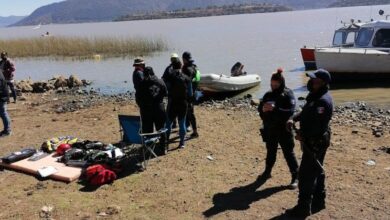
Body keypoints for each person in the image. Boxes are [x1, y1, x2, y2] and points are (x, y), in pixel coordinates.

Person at [285, 69, 334, 218]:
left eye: (315, 81)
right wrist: (293, 118)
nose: (312, 82)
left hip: (315, 142)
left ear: (323, 83)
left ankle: (303, 208)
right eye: (312, 80)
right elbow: (306, 112)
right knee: (317, 169)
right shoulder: (315, 96)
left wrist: (302, 135)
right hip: (315, 140)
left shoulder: (322, 101)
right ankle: (319, 202)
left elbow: (318, 126)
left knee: (306, 175)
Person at [258, 68, 299, 189]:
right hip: (270, 128)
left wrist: (274, 109)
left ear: (281, 83)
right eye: (271, 84)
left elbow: (290, 112)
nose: (273, 87)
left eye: (276, 85)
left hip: (284, 129)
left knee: (289, 153)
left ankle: (295, 176)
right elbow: (260, 110)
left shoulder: (288, 94)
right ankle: (267, 172)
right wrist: (263, 110)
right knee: (271, 152)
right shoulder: (268, 94)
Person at [137, 66, 168, 155]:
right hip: (159, 108)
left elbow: (138, 98)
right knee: (161, 129)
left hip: (146, 110)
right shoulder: (160, 81)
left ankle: (149, 148)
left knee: (148, 130)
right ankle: (163, 148)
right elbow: (165, 92)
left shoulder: (142, 83)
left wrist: (141, 106)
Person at [165, 60, 193, 149]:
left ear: (172, 67)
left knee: (168, 123)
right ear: (181, 67)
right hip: (183, 103)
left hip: (173, 103)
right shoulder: (186, 78)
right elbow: (190, 93)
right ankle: (182, 143)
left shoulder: (170, 77)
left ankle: (166, 141)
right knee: (182, 123)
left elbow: (167, 89)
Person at [182, 51, 199, 138]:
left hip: (188, 94)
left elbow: (185, 82)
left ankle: (194, 131)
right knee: (190, 112)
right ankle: (192, 130)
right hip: (193, 93)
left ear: (184, 59)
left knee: (189, 113)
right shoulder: (194, 67)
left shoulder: (186, 69)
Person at [162, 53, 180, 129]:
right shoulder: (177, 68)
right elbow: (163, 78)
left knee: (171, 109)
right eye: (173, 59)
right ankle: (174, 123)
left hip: (172, 92)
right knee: (173, 109)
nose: (173, 60)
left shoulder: (169, 68)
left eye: (174, 59)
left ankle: (174, 123)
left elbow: (163, 79)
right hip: (174, 92)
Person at [0, 69, 11, 137]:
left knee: (3, 113)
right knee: (3, 113)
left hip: (2, 96)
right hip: (3, 95)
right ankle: (7, 130)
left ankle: (7, 131)